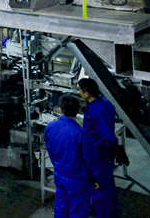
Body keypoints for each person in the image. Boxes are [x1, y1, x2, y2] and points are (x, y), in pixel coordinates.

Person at [45, 93, 101, 218]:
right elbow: (90, 159)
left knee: (61, 207)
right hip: (77, 180)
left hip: (59, 176)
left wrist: (58, 166)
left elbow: (50, 150)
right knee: (78, 211)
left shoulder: (50, 127)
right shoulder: (81, 133)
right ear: (78, 111)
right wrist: (95, 177)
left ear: (60, 109)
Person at [79, 78, 120, 218]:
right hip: (106, 153)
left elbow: (108, 135)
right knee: (108, 185)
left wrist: (114, 146)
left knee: (99, 188)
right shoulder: (105, 102)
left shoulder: (96, 110)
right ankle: (112, 213)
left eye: (80, 91)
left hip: (99, 153)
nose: (79, 93)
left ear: (86, 93)